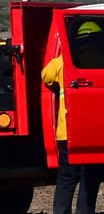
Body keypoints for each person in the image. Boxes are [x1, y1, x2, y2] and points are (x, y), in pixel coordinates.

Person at [42, 20, 104, 214]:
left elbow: (46, 76)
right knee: (90, 178)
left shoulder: (63, 62)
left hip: (67, 133)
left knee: (66, 179)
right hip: (95, 134)